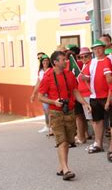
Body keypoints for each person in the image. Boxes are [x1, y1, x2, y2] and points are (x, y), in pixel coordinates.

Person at [38, 51, 91, 180]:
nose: (65, 61)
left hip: (70, 111)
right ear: (55, 62)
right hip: (56, 112)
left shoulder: (69, 75)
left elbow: (75, 91)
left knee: (67, 141)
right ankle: (67, 170)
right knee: (61, 141)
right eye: (62, 59)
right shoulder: (48, 76)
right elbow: (40, 97)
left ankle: (62, 167)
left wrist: (84, 103)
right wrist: (54, 102)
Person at [80, 40, 112, 153]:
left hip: (106, 96)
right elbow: (88, 77)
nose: (97, 51)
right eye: (94, 49)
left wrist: (109, 100)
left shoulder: (108, 61)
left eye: (99, 48)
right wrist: (85, 78)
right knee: (96, 121)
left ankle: (111, 147)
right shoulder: (92, 62)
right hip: (94, 96)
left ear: (103, 48)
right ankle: (98, 144)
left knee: (111, 122)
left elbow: (110, 82)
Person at [30, 54, 52, 134]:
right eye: (43, 61)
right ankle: (47, 126)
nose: (45, 62)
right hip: (43, 93)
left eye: (46, 60)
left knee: (50, 111)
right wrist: (33, 94)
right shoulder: (41, 71)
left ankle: (50, 127)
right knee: (46, 110)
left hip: (50, 93)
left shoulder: (51, 70)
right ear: (41, 62)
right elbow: (38, 82)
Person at [75, 47, 93, 144]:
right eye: (81, 57)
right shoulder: (84, 65)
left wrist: (85, 77)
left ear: (90, 55)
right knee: (88, 118)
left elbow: (91, 77)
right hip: (83, 94)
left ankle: (98, 141)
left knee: (91, 118)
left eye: (85, 56)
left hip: (88, 94)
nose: (83, 58)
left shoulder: (90, 64)